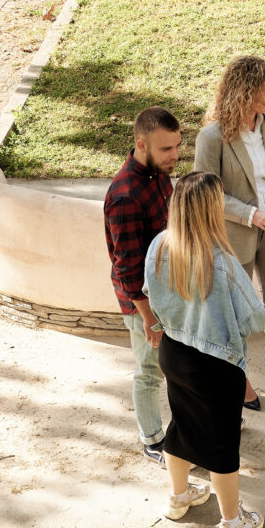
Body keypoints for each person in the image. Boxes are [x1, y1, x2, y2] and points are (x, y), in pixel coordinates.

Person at [144, 171, 265, 528]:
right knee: (222, 443)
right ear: (211, 211)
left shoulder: (160, 245)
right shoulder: (223, 263)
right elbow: (255, 318)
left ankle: (179, 497)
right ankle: (232, 522)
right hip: (217, 366)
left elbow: (148, 289)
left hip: (173, 352)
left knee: (181, 424)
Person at [194, 55, 265, 412]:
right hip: (235, 234)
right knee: (237, 309)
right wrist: (249, 214)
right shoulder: (213, 137)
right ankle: (239, 376)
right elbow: (206, 190)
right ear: (244, 91)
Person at [104, 106, 180, 466]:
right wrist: (149, 318)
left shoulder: (159, 175)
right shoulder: (125, 196)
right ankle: (152, 440)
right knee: (149, 371)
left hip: (170, 292)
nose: (175, 155)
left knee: (176, 366)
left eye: (177, 146)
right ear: (141, 144)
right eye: (166, 149)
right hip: (143, 305)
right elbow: (127, 270)